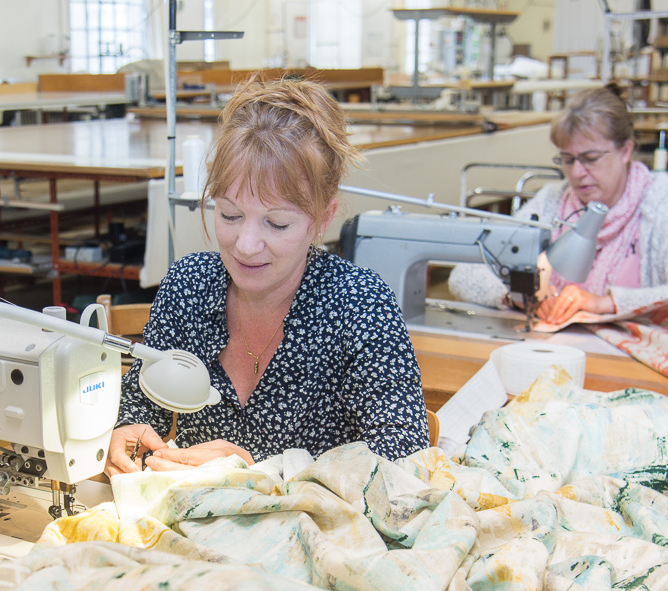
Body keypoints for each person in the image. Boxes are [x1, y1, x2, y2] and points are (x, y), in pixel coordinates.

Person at [105, 76, 430, 476]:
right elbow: (141, 401)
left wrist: (255, 472)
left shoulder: (359, 306)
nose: (245, 244)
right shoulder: (189, 287)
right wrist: (128, 431)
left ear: (323, 218)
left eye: (276, 223)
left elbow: (405, 465)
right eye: (229, 215)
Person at [448, 84, 668, 325]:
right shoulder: (552, 201)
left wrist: (605, 302)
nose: (577, 172)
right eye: (567, 159)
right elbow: (465, 273)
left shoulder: (663, 202)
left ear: (625, 151)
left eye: (590, 158)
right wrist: (520, 297)